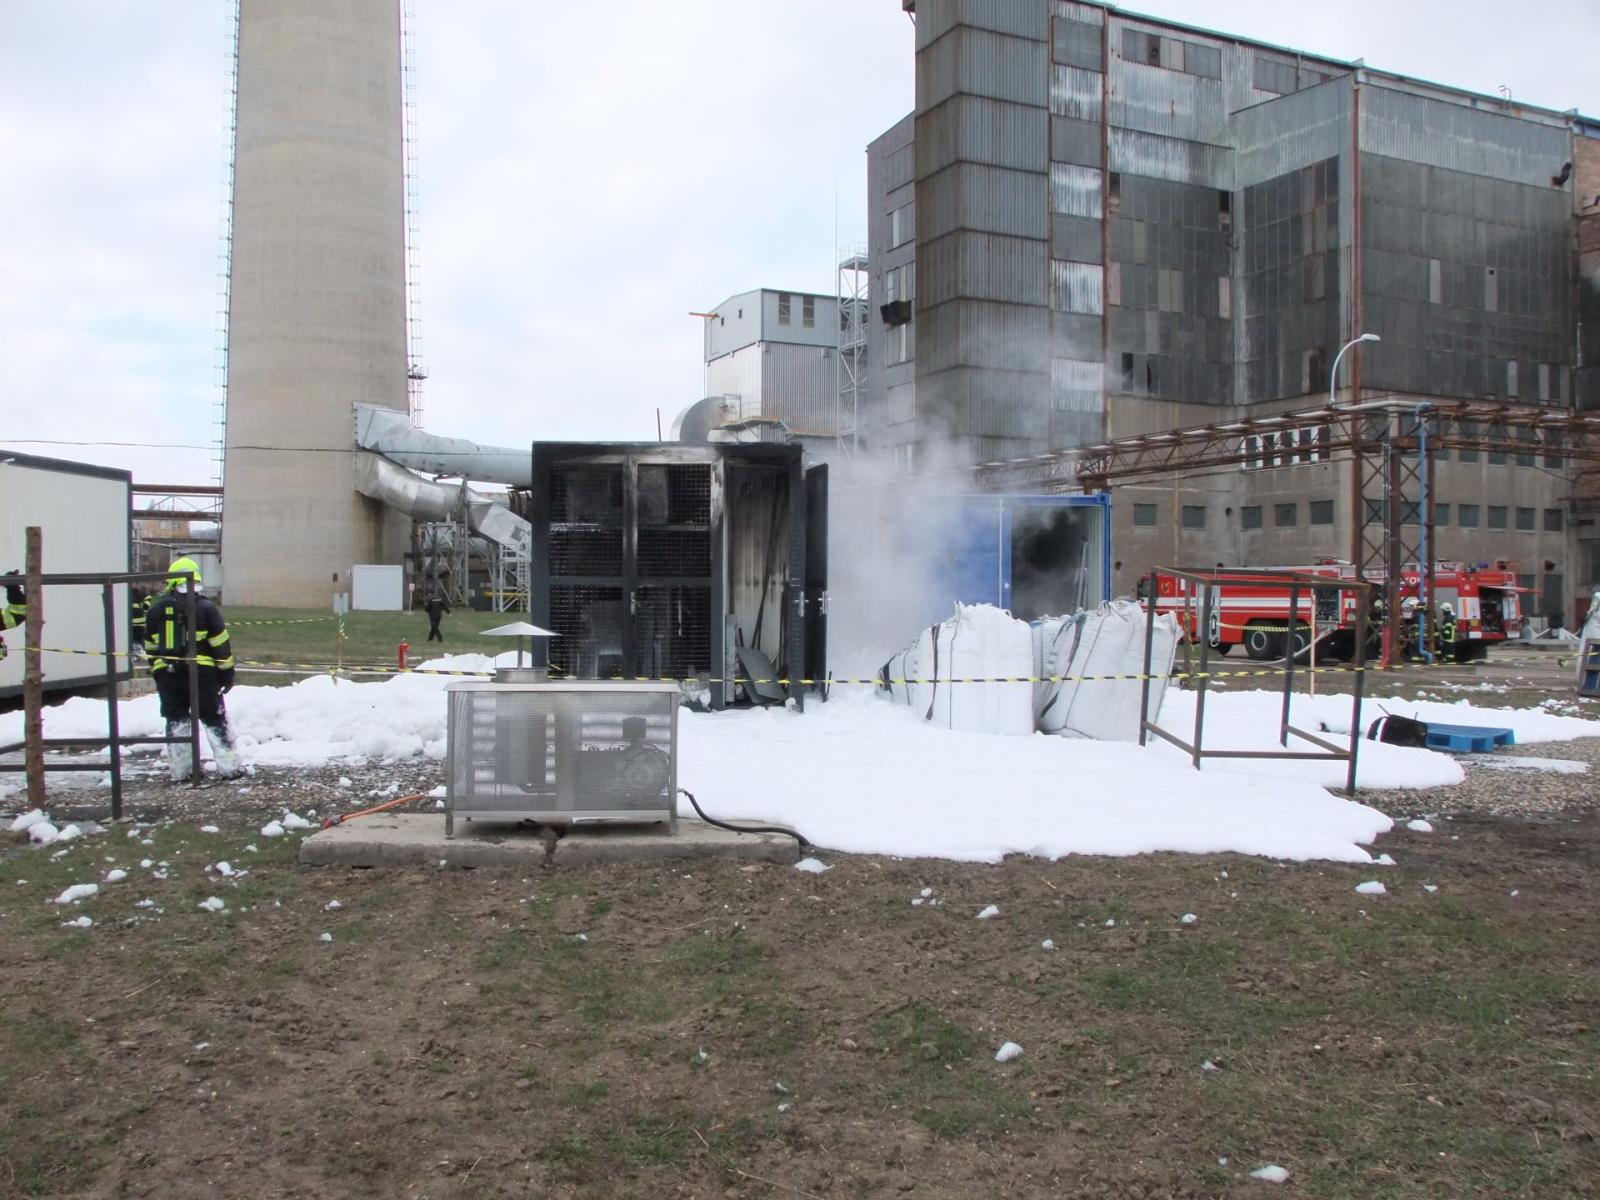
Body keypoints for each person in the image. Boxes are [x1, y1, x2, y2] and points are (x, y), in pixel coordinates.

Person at [143, 557, 242, 780]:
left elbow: (149, 645)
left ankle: (180, 772)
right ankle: (230, 768)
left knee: (176, 720)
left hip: (169, 674)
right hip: (204, 675)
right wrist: (227, 674)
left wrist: (158, 670)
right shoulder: (207, 608)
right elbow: (220, 645)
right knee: (214, 719)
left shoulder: (157, 609)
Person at [0, 570, 23, 662]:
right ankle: (10, 581)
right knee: (17, 598)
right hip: (14, 615)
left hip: (14, 615)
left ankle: (10, 581)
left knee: (16, 598)